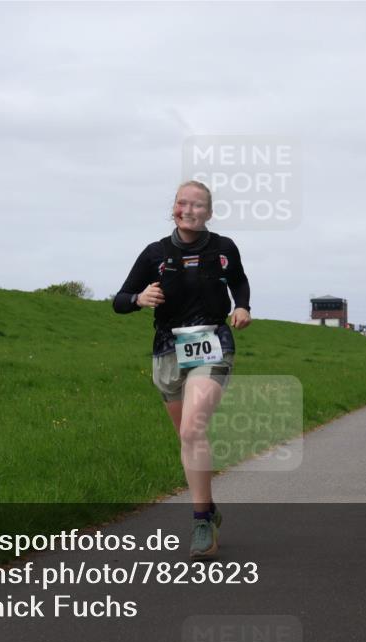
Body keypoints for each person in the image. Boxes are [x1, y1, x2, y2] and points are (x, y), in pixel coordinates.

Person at [113, 181, 251, 559]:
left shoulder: (223, 248)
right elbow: (120, 300)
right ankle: (209, 506)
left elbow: (239, 281)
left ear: (209, 213)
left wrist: (242, 306)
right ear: (173, 208)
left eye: (197, 205)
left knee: (193, 429)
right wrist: (139, 298)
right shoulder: (155, 253)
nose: (188, 210)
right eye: (181, 203)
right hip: (167, 350)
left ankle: (201, 522)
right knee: (188, 438)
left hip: (212, 343)